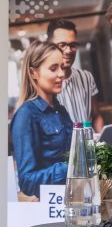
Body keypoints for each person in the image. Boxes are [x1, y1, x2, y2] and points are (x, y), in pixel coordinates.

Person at [10, 41, 73, 200]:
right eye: (53, 68)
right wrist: (72, 167)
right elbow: (27, 181)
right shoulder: (26, 115)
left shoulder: (61, 110)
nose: (61, 74)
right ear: (33, 73)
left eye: (62, 67)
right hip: (50, 207)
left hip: (71, 199)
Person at [46, 19, 103, 130]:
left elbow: (96, 116)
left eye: (72, 45)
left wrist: (101, 141)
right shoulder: (45, 86)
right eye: (62, 45)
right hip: (64, 147)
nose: (68, 51)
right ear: (50, 46)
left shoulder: (87, 77)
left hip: (90, 145)